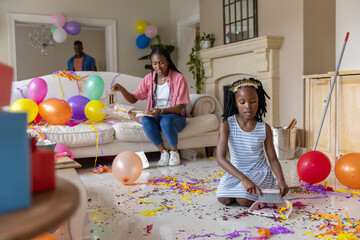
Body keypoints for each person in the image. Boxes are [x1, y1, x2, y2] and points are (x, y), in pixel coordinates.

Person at [216, 78, 289, 207]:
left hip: (259, 172)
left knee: (243, 200)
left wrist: (281, 180)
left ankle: (257, 190)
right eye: (242, 102)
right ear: (235, 102)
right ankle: (246, 191)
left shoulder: (264, 128)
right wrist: (243, 179)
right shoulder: (227, 124)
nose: (248, 106)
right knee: (223, 199)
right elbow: (220, 158)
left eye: (252, 101)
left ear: (259, 101)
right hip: (237, 172)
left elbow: (272, 159)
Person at [111, 47, 190, 167]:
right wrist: (121, 89)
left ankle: (174, 152)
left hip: (175, 117)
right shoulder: (149, 79)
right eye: (154, 63)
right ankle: (163, 152)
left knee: (166, 121)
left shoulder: (178, 78)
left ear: (168, 61)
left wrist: (161, 110)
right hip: (157, 116)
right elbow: (133, 98)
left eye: (161, 62)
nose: (158, 67)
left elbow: (180, 108)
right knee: (146, 120)